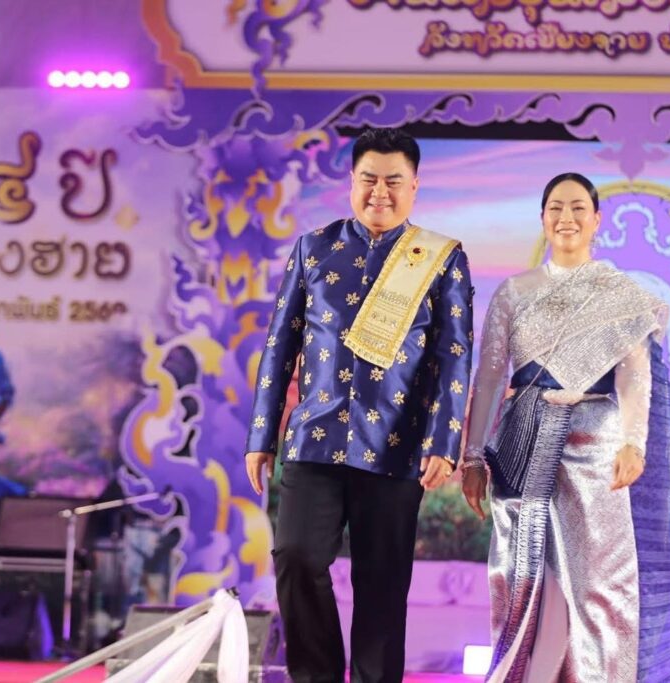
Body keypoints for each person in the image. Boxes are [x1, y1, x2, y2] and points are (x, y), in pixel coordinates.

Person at [245, 127, 474, 683]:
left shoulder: (441, 259)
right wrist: (261, 436)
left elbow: (454, 357)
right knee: (296, 557)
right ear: (351, 181)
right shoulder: (314, 248)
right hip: (314, 438)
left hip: (396, 445)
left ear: (414, 186)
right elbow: (279, 346)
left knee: (382, 586)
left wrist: (444, 441)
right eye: (369, 179)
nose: (380, 192)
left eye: (394, 181)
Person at [461, 172, 670, 682]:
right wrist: (473, 457)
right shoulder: (514, 292)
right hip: (522, 440)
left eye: (578, 208)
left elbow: (633, 375)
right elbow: (491, 376)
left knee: (600, 580)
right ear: (542, 218)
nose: (567, 218)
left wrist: (633, 443)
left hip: (596, 440)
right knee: (521, 573)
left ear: (597, 220)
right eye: (556, 208)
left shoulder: (620, 294)